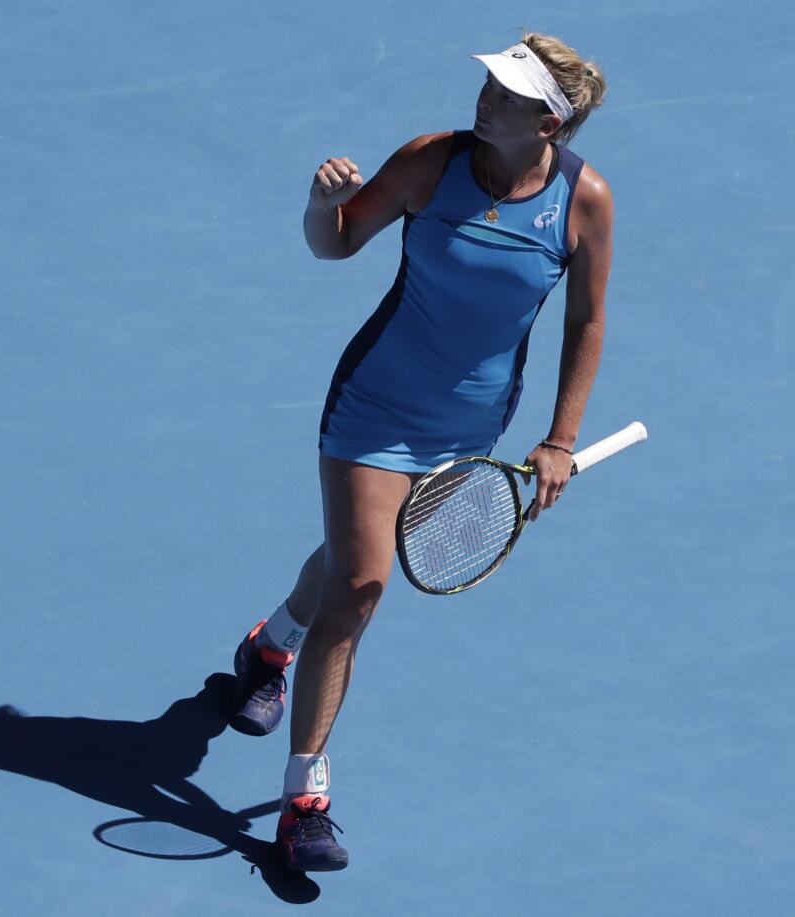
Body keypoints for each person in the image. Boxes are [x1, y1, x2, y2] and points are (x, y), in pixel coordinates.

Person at [229, 33, 612, 872]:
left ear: (548, 123)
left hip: (473, 427)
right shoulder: (430, 163)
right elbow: (335, 242)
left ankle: (271, 643)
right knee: (364, 585)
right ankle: (304, 802)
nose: (487, 99)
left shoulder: (584, 205)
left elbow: (586, 321)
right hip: (376, 407)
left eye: (510, 95)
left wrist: (559, 439)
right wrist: (316, 204)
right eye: (490, 84)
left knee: (349, 557)